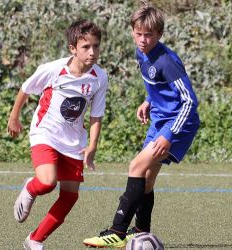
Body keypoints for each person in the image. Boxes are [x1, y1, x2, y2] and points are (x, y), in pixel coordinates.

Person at [83, 4, 200, 248]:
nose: (143, 39)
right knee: (146, 178)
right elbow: (159, 85)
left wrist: (169, 134)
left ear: (159, 34)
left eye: (148, 34)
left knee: (136, 165)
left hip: (177, 123)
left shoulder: (167, 61)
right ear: (133, 31)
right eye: (138, 33)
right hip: (160, 119)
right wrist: (148, 100)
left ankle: (117, 232)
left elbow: (189, 101)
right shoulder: (141, 53)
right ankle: (141, 232)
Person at [7, 19, 108, 250]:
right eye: (86, 47)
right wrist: (14, 117)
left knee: (70, 196)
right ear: (73, 48)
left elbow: (96, 114)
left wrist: (92, 145)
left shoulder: (99, 77)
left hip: (74, 142)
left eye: (96, 46)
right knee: (47, 182)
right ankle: (31, 187)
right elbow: (25, 89)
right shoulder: (54, 69)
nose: (92, 52)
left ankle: (34, 240)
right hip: (46, 133)